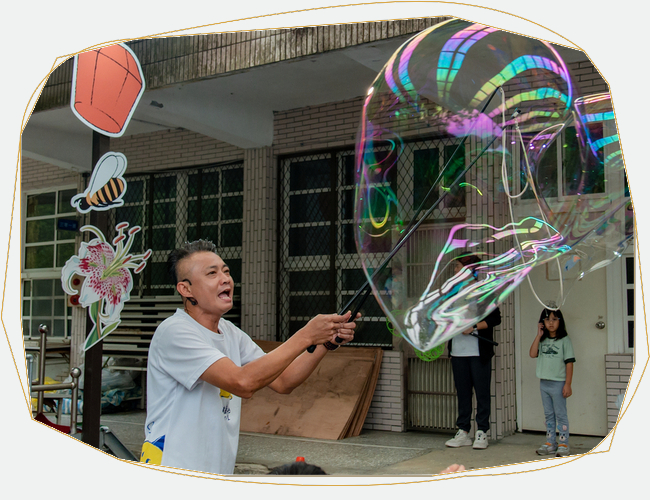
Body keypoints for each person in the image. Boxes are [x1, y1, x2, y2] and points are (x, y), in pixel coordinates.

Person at [140, 239, 359, 474]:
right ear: (186, 289)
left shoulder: (230, 332)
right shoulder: (174, 331)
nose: (225, 279)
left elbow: (284, 380)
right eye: (212, 273)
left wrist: (326, 342)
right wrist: (306, 335)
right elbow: (242, 382)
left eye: (226, 271)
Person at [445, 253, 501, 450]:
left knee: (482, 392)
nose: (454, 270)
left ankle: (482, 432)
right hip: (458, 351)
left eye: (457, 266)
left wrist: (474, 327)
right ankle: (463, 431)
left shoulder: (484, 291)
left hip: (478, 352)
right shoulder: (452, 292)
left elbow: (495, 319)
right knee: (463, 393)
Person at [529, 307, 575, 457]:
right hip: (544, 383)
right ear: (542, 322)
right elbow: (532, 354)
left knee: (561, 414)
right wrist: (538, 335)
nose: (551, 323)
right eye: (547, 319)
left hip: (559, 383)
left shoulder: (564, 340)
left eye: (554, 319)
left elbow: (569, 363)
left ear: (560, 322)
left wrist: (568, 384)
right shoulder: (542, 340)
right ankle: (550, 442)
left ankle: (563, 443)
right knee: (548, 414)